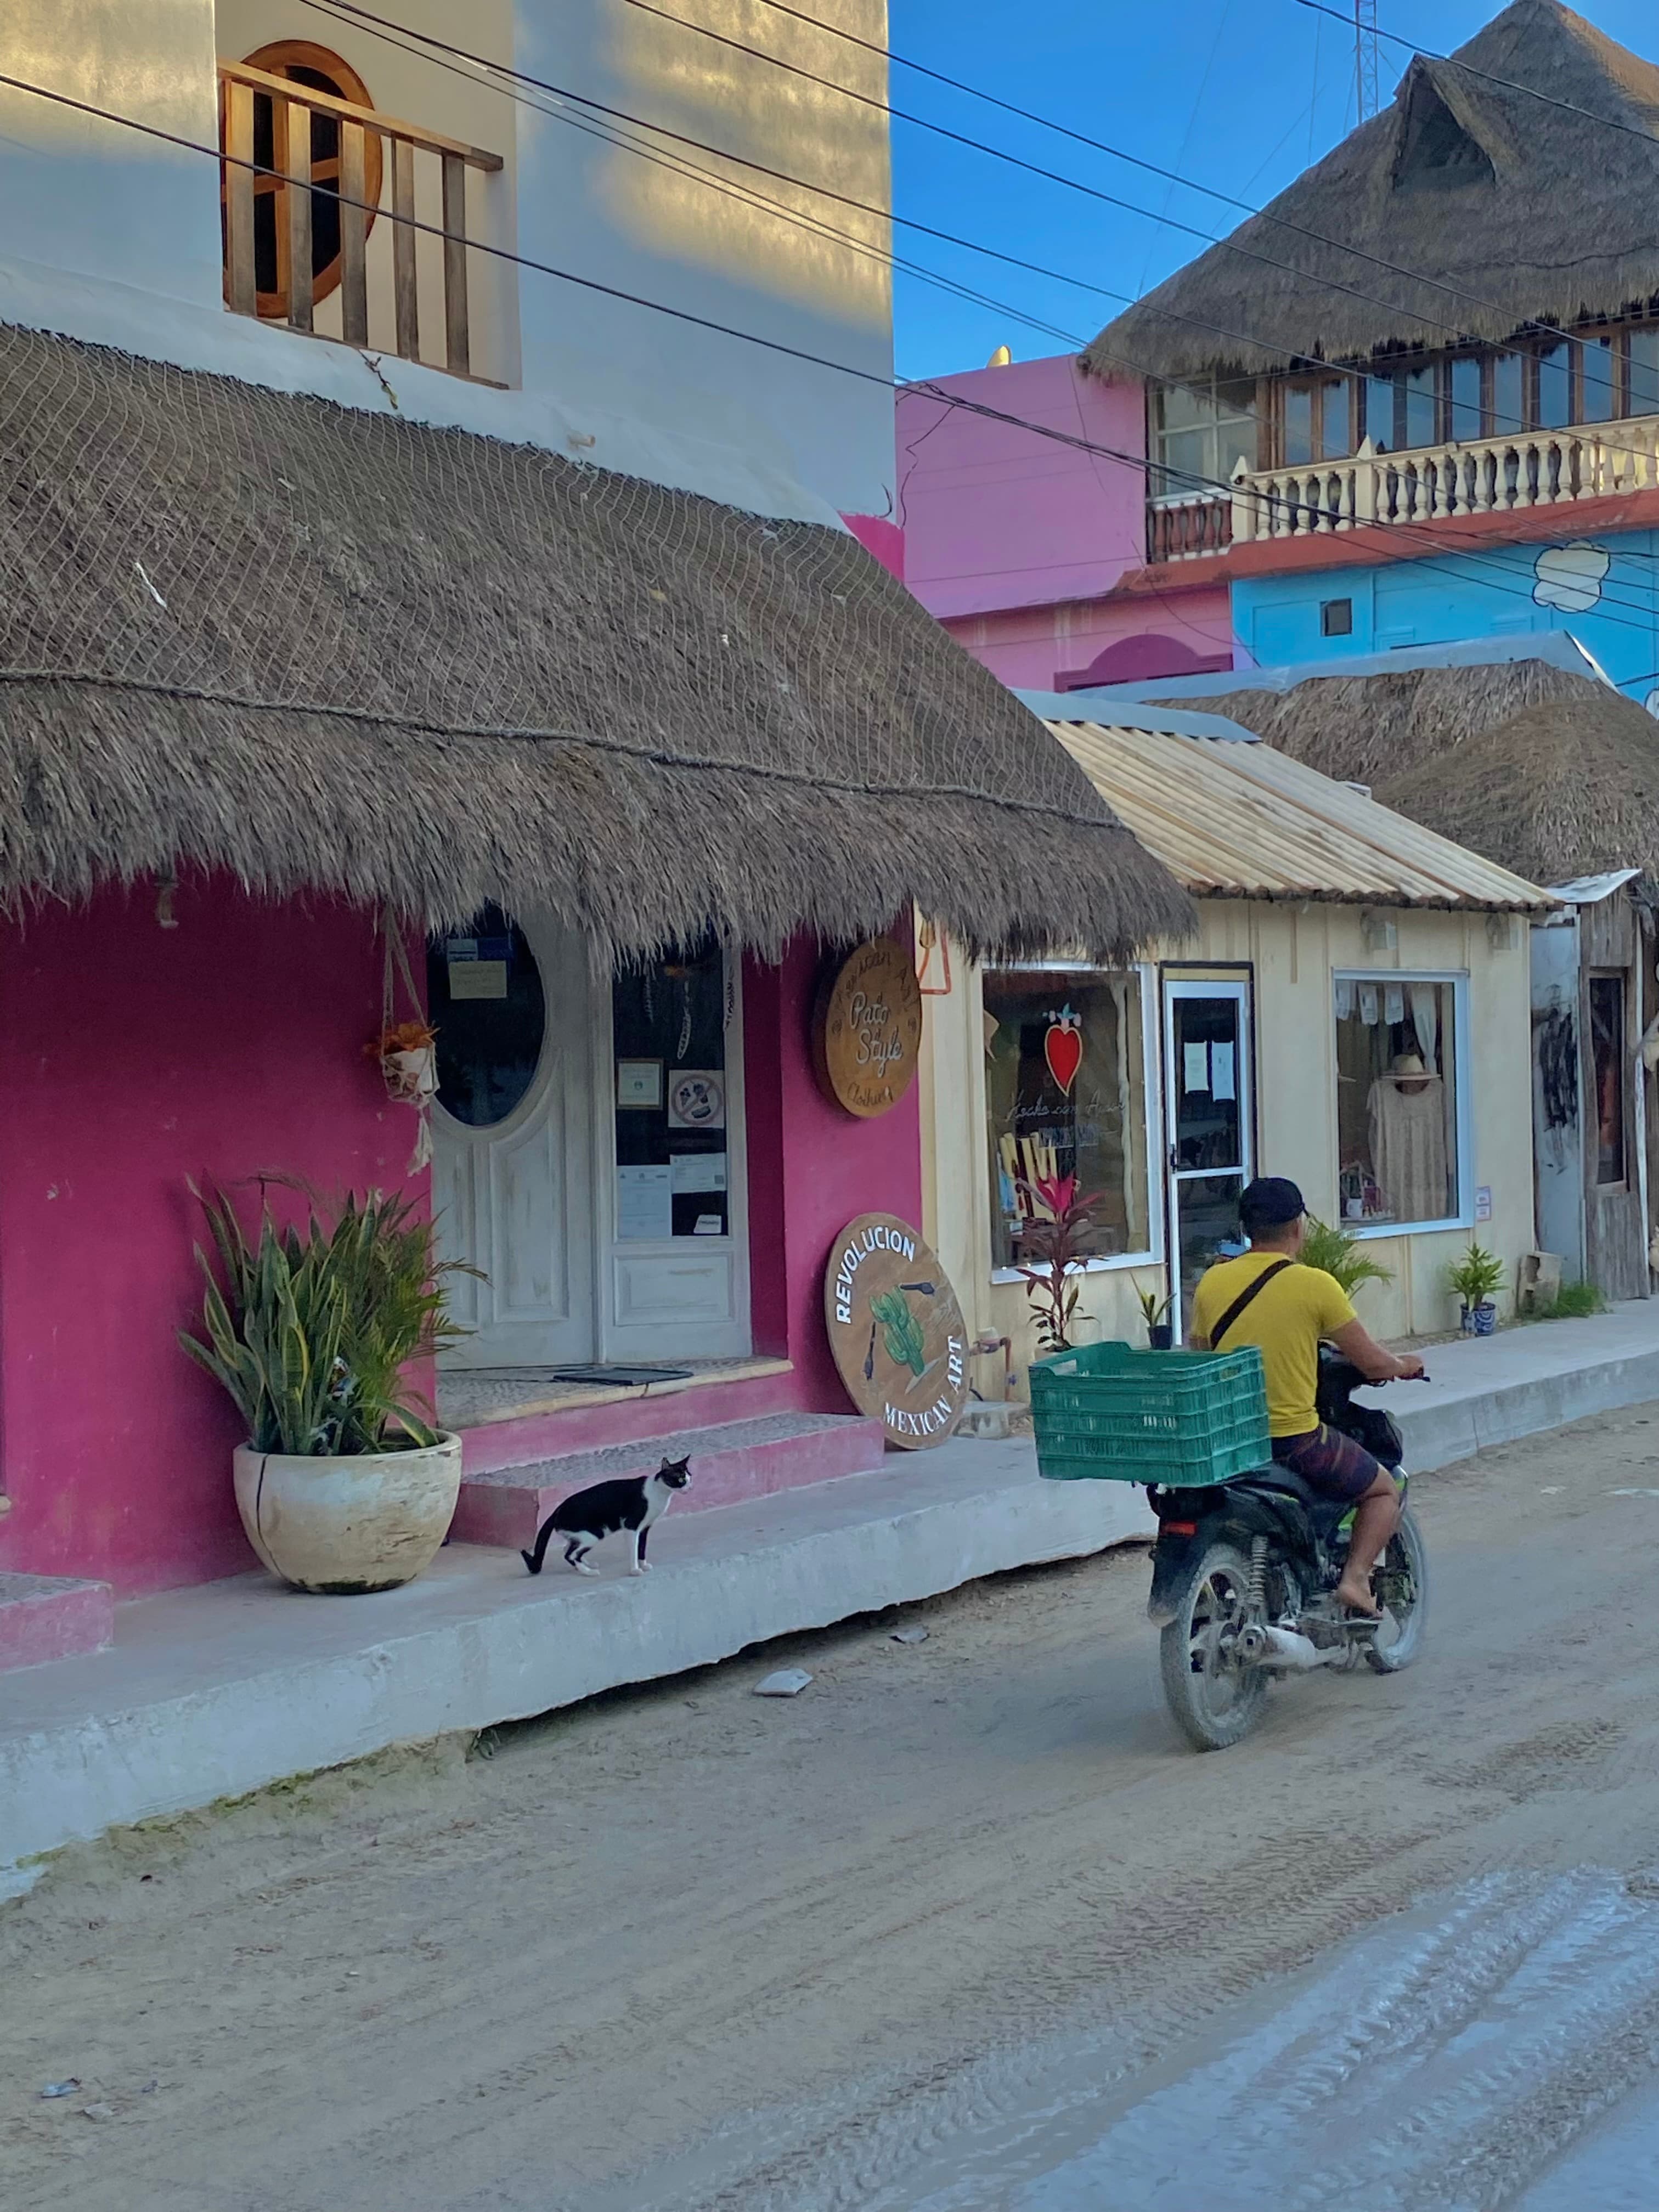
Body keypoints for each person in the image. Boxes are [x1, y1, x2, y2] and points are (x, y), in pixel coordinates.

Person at [1188, 1176, 1424, 1617]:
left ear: (1246, 1229)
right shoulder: (1315, 1285)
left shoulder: (1212, 1284)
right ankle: (1354, 1579)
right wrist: (1403, 1365)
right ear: (1299, 1227)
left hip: (1233, 1443)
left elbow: (1200, 1356)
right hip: (1295, 1442)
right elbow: (1372, 1363)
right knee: (1383, 1490)